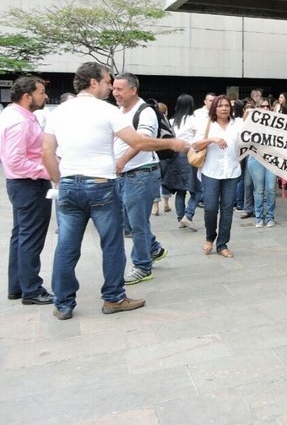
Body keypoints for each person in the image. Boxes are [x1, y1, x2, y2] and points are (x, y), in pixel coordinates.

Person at [42, 62, 188, 320]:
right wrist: (172, 142)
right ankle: (113, 298)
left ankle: (63, 303)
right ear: (94, 82)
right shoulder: (108, 111)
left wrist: (58, 182)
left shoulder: (59, 111)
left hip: (68, 185)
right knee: (111, 244)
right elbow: (139, 142)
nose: (111, 87)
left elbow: (47, 152)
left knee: (66, 247)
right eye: (108, 81)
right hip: (101, 186)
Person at [112, 73, 169, 285]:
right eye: (114, 89)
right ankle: (153, 248)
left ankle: (143, 266)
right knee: (131, 222)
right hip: (124, 174)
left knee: (137, 223)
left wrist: (122, 161)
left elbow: (143, 141)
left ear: (133, 90)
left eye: (120, 89)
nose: (115, 93)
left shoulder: (145, 112)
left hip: (141, 173)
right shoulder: (119, 111)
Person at [0, 76, 53, 304]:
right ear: (27, 96)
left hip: (23, 184)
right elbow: (16, 160)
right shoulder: (19, 121)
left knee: (21, 236)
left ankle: (19, 286)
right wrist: (49, 171)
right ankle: (31, 289)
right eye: (41, 92)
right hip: (29, 184)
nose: (45, 96)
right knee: (30, 237)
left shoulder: (17, 115)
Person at [190, 95, 243, 258]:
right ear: (214, 108)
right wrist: (212, 139)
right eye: (220, 106)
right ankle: (209, 237)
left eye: (227, 105)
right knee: (211, 207)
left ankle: (222, 244)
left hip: (232, 171)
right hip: (211, 171)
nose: (224, 108)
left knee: (227, 209)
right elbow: (195, 145)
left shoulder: (237, 124)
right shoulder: (207, 124)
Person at [163, 93, 199, 231]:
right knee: (198, 189)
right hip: (189, 156)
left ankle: (180, 218)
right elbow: (197, 139)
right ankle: (188, 215)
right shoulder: (193, 120)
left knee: (180, 190)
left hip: (175, 157)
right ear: (191, 105)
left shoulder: (172, 121)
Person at [248, 99, 278, 228]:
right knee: (259, 190)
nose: (265, 108)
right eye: (262, 106)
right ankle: (259, 217)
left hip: (271, 158)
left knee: (271, 189)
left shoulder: (276, 122)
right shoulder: (251, 122)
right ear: (257, 107)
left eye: (267, 106)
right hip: (255, 158)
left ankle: (270, 216)